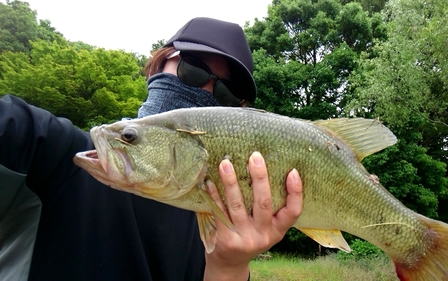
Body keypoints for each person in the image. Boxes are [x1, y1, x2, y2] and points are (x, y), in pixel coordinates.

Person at [0, 17, 303, 281]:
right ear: (159, 63)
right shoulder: (56, 150)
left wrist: (229, 267)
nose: (204, 91)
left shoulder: (224, 224)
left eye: (225, 94)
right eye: (192, 70)